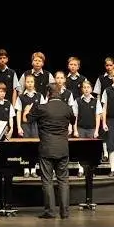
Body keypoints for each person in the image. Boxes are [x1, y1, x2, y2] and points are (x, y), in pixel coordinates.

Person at [23, 83, 76, 219]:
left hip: (46, 148)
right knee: (63, 180)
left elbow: (27, 119)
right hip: (63, 148)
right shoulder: (67, 108)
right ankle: (65, 213)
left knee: (47, 181)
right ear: (60, 93)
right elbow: (73, 120)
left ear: (48, 94)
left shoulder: (42, 108)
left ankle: (50, 212)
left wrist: (26, 110)